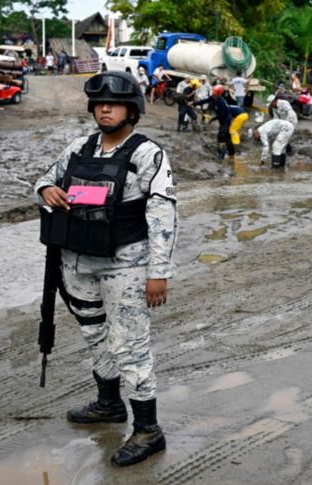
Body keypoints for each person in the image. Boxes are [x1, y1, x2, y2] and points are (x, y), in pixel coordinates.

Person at [34, 70, 177, 467]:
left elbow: (163, 217)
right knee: (95, 335)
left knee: (129, 344)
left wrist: (158, 273)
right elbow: (45, 179)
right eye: (99, 104)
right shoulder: (80, 148)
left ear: (132, 110)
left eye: (114, 104)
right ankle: (109, 403)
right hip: (77, 263)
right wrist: (47, 190)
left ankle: (148, 430)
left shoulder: (147, 154)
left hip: (126, 266)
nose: (105, 110)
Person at [194, 85, 234, 160]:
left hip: (226, 120)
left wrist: (212, 119)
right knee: (227, 137)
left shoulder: (222, 102)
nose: (213, 96)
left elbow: (221, 115)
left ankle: (221, 155)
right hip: (223, 119)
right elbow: (205, 101)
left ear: (219, 94)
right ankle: (232, 153)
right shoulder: (213, 97)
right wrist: (194, 103)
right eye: (213, 94)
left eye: (215, 94)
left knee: (221, 137)